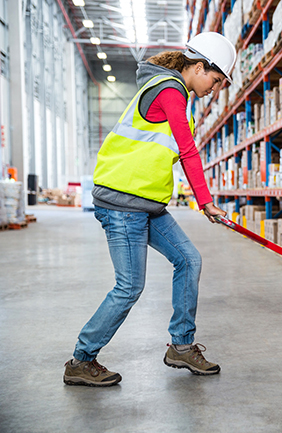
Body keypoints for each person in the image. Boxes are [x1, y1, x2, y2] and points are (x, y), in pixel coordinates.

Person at [63, 32, 237, 387]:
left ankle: (182, 345)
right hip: (123, 202)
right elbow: (187, 151)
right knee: (129, 287)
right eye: (215, 80)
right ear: (199, 66)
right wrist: (205, 202)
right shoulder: (169, 91)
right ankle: (81, 360)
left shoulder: (173, 93)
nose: (215, 89)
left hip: (146, 203)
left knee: (189, 260)